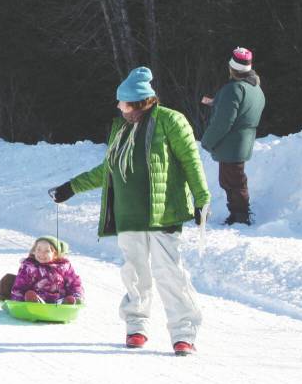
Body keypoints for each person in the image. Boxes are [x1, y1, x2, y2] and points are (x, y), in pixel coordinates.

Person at [50, 66, 210, 357]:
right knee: (134, 273)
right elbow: (108, 170)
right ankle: (136, 326)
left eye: (122, 102)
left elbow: (191, 161)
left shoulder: (171, 121)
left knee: (169, 273)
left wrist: (202, 199)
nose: (118, 107)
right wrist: (71, 187)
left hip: (165, 213)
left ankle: (183, 333)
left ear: (137, 102)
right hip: (129, 213)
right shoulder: (121, 128)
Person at [200, 47, 266, 226]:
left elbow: (224, 121)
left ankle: (241, 217)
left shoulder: (233, 89)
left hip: (231, 143)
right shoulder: (255, 88)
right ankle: (238, 214)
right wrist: (216, 102)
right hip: (243, 141)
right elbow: (243, 110)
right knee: (232, 179)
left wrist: (207, 141)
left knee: (233, 181)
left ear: (232, 68)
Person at [9, 236, 84, 304]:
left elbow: (74, 283)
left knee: (65, 300)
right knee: (31, 295)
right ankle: (33, 302)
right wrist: (18, 299)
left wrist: (77, 296)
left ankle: (67, 303)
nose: (42, 254)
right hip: (38, 297)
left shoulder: (64, 267)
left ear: (55, 254)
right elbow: (20, 284)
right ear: (34, 251)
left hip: (58, 300)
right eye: (38, 249)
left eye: (47, 251)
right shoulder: (29, 267)